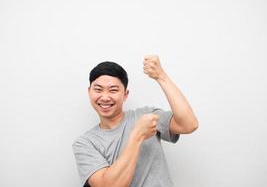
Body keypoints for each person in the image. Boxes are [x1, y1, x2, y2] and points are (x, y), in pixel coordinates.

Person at [72, 55, 198, 187]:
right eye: (98, 89)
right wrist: (138, 135)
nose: (105, 97)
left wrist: (161, 76)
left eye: (113, 90)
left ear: (125, 95)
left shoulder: (145, 115)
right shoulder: (85, 143)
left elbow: (189, 125)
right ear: (89, 92)